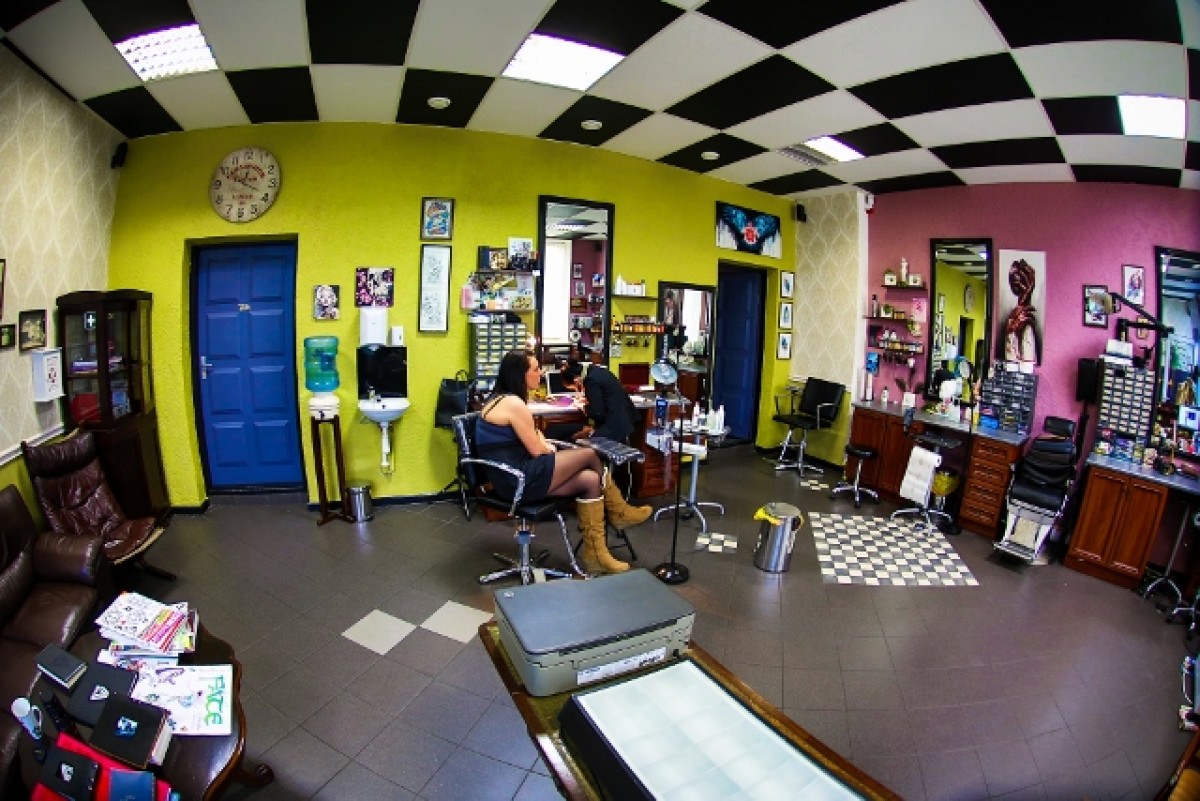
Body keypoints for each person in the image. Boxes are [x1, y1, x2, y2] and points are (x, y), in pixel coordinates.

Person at [476, 351, 650, 574]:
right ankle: (619, 511)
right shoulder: (513, 404)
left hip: (511, 476)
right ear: (520, 374)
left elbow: (537, 435)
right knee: (589, 454)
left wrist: (544, 444)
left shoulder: (500, 399)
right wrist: (547, 447)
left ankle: (596, 556)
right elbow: (538, 450)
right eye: (536, 369)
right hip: (518, 479)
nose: (541, 373)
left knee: (590, 480)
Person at [557, 358, 638, 443]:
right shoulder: (597, 371)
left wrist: (583, 406)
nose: (578, 390)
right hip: (624, 420)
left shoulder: (591, 381)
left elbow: (598, 414)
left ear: (576, 380)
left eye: (576, 388)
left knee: (577, 439)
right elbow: (604, 396)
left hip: (613, 426)